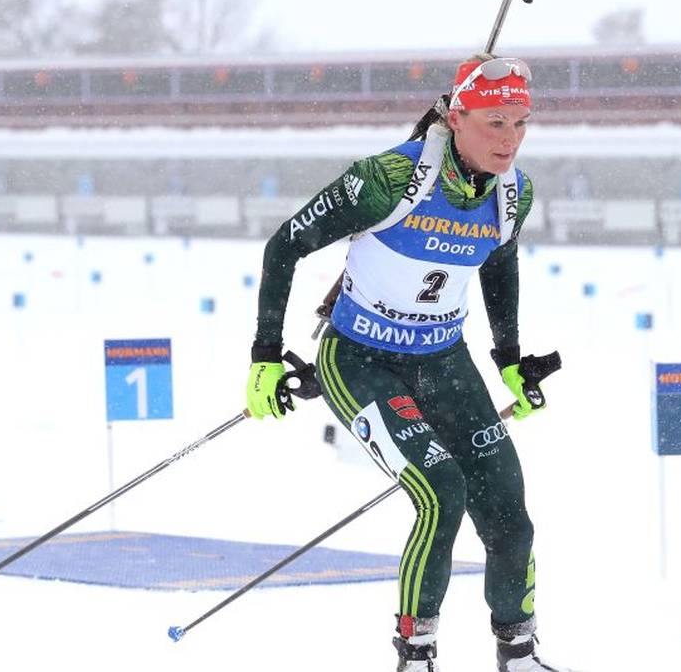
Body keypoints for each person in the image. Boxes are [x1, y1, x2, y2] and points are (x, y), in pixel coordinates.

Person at [245, 54, 572, 672]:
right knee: (441, 492)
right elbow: (284, 245)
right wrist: (265, 355)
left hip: (444, 360)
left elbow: (499, 264)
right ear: (456, 115)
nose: (510, 140)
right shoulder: (388, 178)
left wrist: (508, 360)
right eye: (495, 123)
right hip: (360, 359)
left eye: (521, 124)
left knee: (509, 512)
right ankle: (415, 655)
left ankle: (519, 652)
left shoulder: (514, 192)